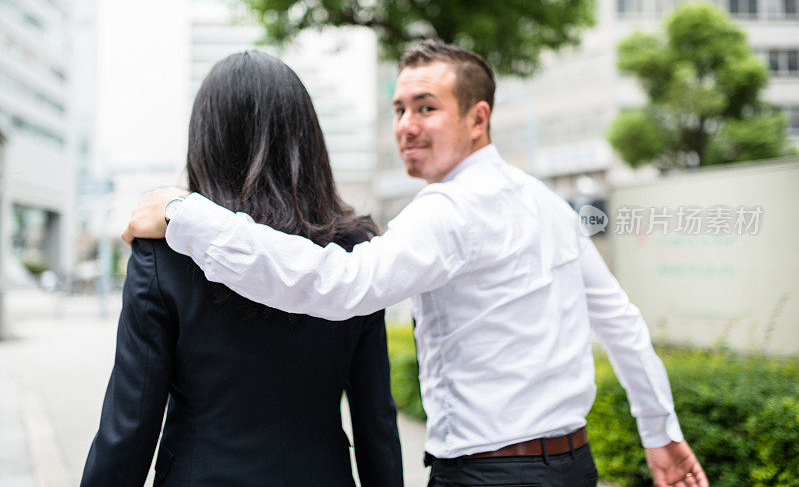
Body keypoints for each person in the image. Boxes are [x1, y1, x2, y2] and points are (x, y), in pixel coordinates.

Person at [123, 40, 708, 487]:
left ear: (478, 119)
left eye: (426, 108)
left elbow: (341, 283)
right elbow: (622, 323)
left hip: (488, 476)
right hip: (575, 466)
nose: (406, 126)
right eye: (399, 108)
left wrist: (187, 215)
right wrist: (661, 434)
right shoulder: (549, 206)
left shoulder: (446, 212)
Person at [83, 51, 403, 487]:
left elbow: (130, 424)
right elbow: (377, 425)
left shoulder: (168, 251)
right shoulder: (354, 250)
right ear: (307, 140)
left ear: (205, 140)